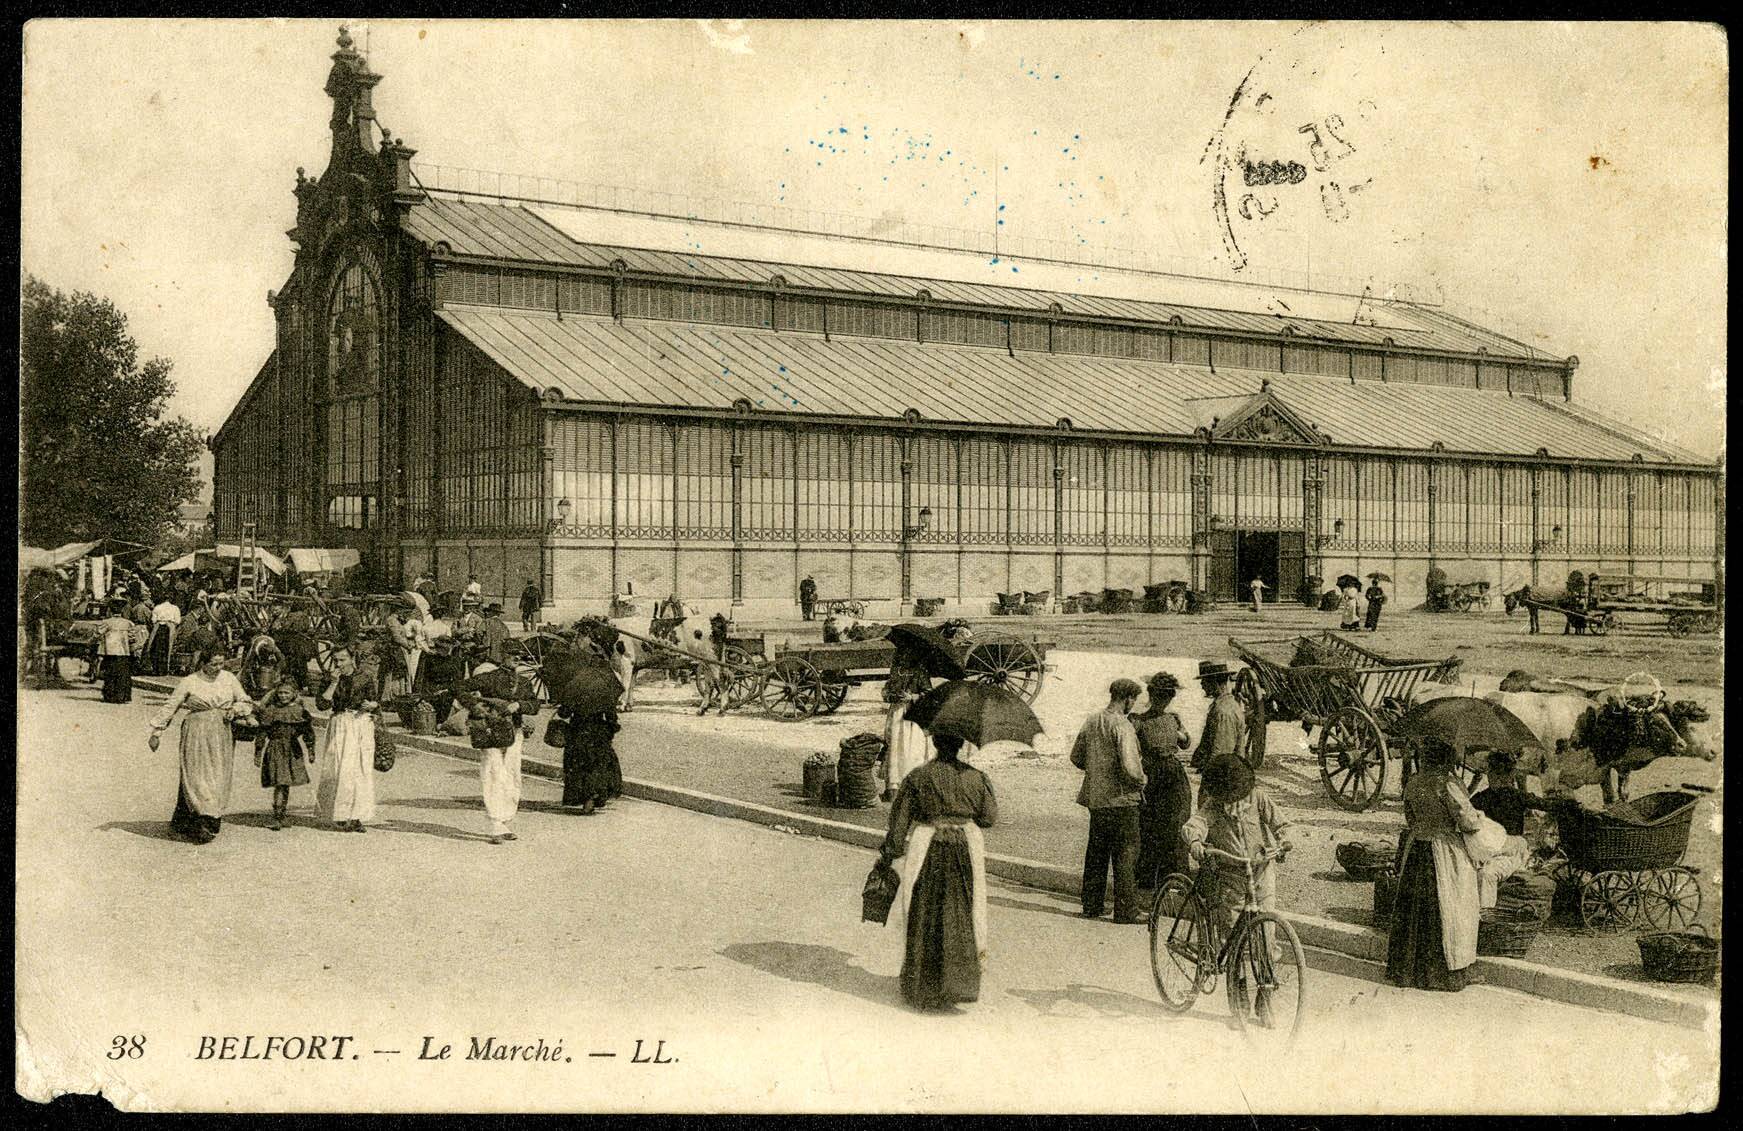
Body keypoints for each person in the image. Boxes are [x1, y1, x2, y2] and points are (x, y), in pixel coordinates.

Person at [877, 733, 998, 1011]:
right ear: (961, 745)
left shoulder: (918, 777)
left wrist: (888, 855)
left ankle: (923, 986)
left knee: (924, 908)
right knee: (963, 910)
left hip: (927, 843)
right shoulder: (976, 777)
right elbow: (989, 818)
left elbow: (898, 828)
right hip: (965, 845)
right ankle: (959, 984)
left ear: (934, 744)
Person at [1182, 756, 1296, 1020]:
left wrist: (1284, 841)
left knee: (1266, 938)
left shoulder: (1258, 798)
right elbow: (1194, 825)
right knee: (1231, 938)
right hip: (1231, 878)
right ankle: (1239, 996)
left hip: (1261, 875)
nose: (1233, 803)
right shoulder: (1213, 806)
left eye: (1238, 795)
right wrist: (1196, 842)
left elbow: (1282, 824)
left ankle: (1265, 998)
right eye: (1227, 797)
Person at [1387, 737, 1484, 992]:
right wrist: (1477, 815)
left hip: (1417, 849)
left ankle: (1407, 971)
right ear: (1447, 757)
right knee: (1451, 907)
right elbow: (1468, 822)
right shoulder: (1449, 783)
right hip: (1443, 853)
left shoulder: (1414, 782)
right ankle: (1442, 973)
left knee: (1414, 911)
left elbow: (1409, 817)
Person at [149, 645, 255, 844]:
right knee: (196, 774)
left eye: (220, 663)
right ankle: (199, 823)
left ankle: (210, 819)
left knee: (217, 774)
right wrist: (157, 732)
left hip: (221, 733)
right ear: (203, 663)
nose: (217, 668)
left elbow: (245, 700)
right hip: (196, 731)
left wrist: (236, 709)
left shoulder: (229, 679)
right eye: (212, 664)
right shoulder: (190, 681)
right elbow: (171, 705)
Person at [1070, 679, 1148, 923]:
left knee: (1097, 852)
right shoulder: (1122, 726)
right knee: (1126, 853)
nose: (1133, 705)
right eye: (1133, 700)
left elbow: (1076, 756)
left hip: (1096, 798)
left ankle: (1091, 905)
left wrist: (1096, 769)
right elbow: (1131, 768)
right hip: (1122, 800)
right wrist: (1142, 780)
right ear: (1127, 699)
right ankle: (1126, 911)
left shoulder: (1092, 720)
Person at [1133, 672, 1194, 891]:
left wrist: (1181, 736)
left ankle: (1175, 876)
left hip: (1174, 776)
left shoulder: (1173, 718)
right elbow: (1130, 749)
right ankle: (1150, 877)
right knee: (1151, 825)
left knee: (1176, 823)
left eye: (1167, 697)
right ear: (1151, 695)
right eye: (1160, 696)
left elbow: (1187, 743)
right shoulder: (1138, 721)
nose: (1164, 701)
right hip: (1152, 775)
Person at [1470, 750, 1551, 909]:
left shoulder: (1515, 796)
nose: (1495, 778)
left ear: (1507, 776)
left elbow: (1545, 805)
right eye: (1493, 773)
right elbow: (1463, 810)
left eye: (1499, 774)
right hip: (1486, 850)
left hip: (1510, 851)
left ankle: (1486, 918)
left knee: (1487, 874)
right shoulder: (1482, 798)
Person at [315, 644, 378, 833]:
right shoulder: (330, 678)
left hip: (361, 724)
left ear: (352, 658)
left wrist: (372, 705)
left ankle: (357, 817)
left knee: (360, 770)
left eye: (342, 659)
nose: (339, 663)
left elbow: (375, 701)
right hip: (341, 723)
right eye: (336, 660)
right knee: (338, 769)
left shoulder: (364, 677)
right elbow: (321, 704)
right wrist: (334, 682)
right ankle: (339, 815)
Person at [466, 692, 527, 845]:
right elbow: (460, 690)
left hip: (514, 732)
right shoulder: (484, 674)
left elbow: (534, 704)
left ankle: (504, 820)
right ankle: (495, 823)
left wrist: (520, 705)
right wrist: (476, 705)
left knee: (512, 776)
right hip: (489, 731)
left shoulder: (523, 682)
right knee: (493, 774)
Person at [254, 680, 315, 830]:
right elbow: (262, 733)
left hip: (292, 749)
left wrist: (311, 750)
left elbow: (308, 732)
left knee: (285, 783)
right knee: (280, 783)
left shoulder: (299, 711)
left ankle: (281, 816)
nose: (283, 696)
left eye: (286, 693)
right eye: (280, 693)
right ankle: (277, 817)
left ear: (294, 694)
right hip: (275, 748)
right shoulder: (271, 710)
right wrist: (258, 751)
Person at [881, 645, 935, 801]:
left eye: (907, 655)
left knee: (912, 750)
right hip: (897, 713)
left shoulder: (920, 673)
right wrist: (889, 695)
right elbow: (887, 690)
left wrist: (912, 697)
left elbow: (929, 695)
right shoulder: (896, 671)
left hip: (914, 716)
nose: (904, 658)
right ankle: (893, 788)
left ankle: (913, 787)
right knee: (895, 748)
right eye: (902, 655)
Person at [559, 696, 623, 816]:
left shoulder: (575, 690)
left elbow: (564, 713)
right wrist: (611, 729)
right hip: (597, 733)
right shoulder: (603, 691)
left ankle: (585, 797)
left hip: (577, 732)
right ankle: (593, 796)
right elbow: (611, 717)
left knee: (578, 766)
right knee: (596, 767)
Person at [1191, 660, 1248, 773]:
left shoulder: (1223, 711)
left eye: (1204, 681)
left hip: (1224, 773)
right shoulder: (1229, 704)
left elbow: (1221, 751)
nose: (1202, 685)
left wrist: (1210, 772)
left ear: (1214, 682)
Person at [97, 599, 138, 704]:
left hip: (110, 652)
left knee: (110, 674)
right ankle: (122, 696)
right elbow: (132, 638)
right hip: (123, 652)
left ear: (110, 610)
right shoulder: (128, 623)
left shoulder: (106, 622)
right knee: (122, 674)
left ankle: (110, 696)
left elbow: (98, 633)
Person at [147, 593, 182, 675]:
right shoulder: (175, 608)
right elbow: (178, 621)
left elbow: (153, 620)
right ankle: (165, 669)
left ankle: (155, 669)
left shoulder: (157, 607)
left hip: (158, 627)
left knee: (156, 647)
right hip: (169, 627)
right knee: (168, 648)